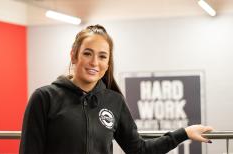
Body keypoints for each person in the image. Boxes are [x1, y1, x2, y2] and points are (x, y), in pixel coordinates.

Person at [19, 24, 213, 154]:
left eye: (102, 56)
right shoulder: (44, 98)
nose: (94, 62)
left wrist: (183, 133)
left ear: (108, 62)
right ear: (74, 55)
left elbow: (139, 150)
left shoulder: (114, 101)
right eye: (87, 53)